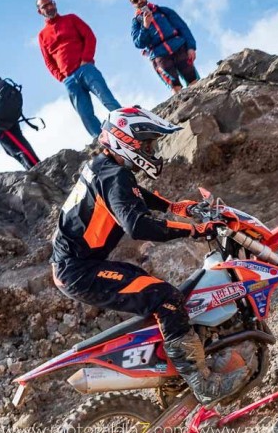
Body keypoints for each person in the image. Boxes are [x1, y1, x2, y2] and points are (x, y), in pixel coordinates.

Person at [50, 106, 251, 405]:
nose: (152, 150)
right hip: (78, 271)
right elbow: (138, 224)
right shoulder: (115, 175)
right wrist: (194, 231)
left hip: (79, 264)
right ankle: (203, 383)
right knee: (166, 297)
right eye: (147, 144)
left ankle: (177, 368)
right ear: (126, 141)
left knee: (157, 291)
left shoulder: (104, 167)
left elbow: (133, 195)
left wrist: (175, 206)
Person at [37, 0, 121, 137]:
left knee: (107, 99)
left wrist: (86, 59)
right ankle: (102, 140)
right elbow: (48, 61)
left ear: (55, 3)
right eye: (45, 6)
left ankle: (128, 124)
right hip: (69, 79)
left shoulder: (71, 19)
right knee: (85, 114)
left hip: (86, 70)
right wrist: (62, 77)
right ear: (40, 11)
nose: (49, 7)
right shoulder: (42, 35)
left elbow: (89, 36)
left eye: (50, 4)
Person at [128, 0, 199, 94]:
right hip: (159, 56)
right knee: (175, 88)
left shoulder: (163, 11)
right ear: (133, 4)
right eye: (135, 0)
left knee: (194, 81)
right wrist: (145, 26)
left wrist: (191, 47)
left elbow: (183, 28)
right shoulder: (136, 23)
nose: (139, 1)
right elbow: (138, 43)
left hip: (179, 47)